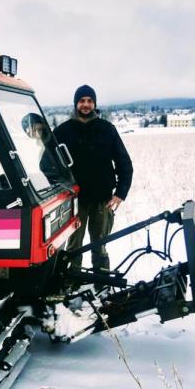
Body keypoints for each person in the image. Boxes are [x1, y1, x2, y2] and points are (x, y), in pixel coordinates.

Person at [53, 84, 133, 271]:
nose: (86, 104)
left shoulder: (107, 129)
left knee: (100, 245)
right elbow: (47, 165)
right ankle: (71, 282)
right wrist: (60, 189)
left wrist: (120, 192)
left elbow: (124, 164)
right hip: (74, 201)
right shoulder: (63, 131)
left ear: (94, 104)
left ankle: (102, 281)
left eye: (89, 101)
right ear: (76, 104)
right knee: (74, 247)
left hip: (102, 200)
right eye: (82, 101)